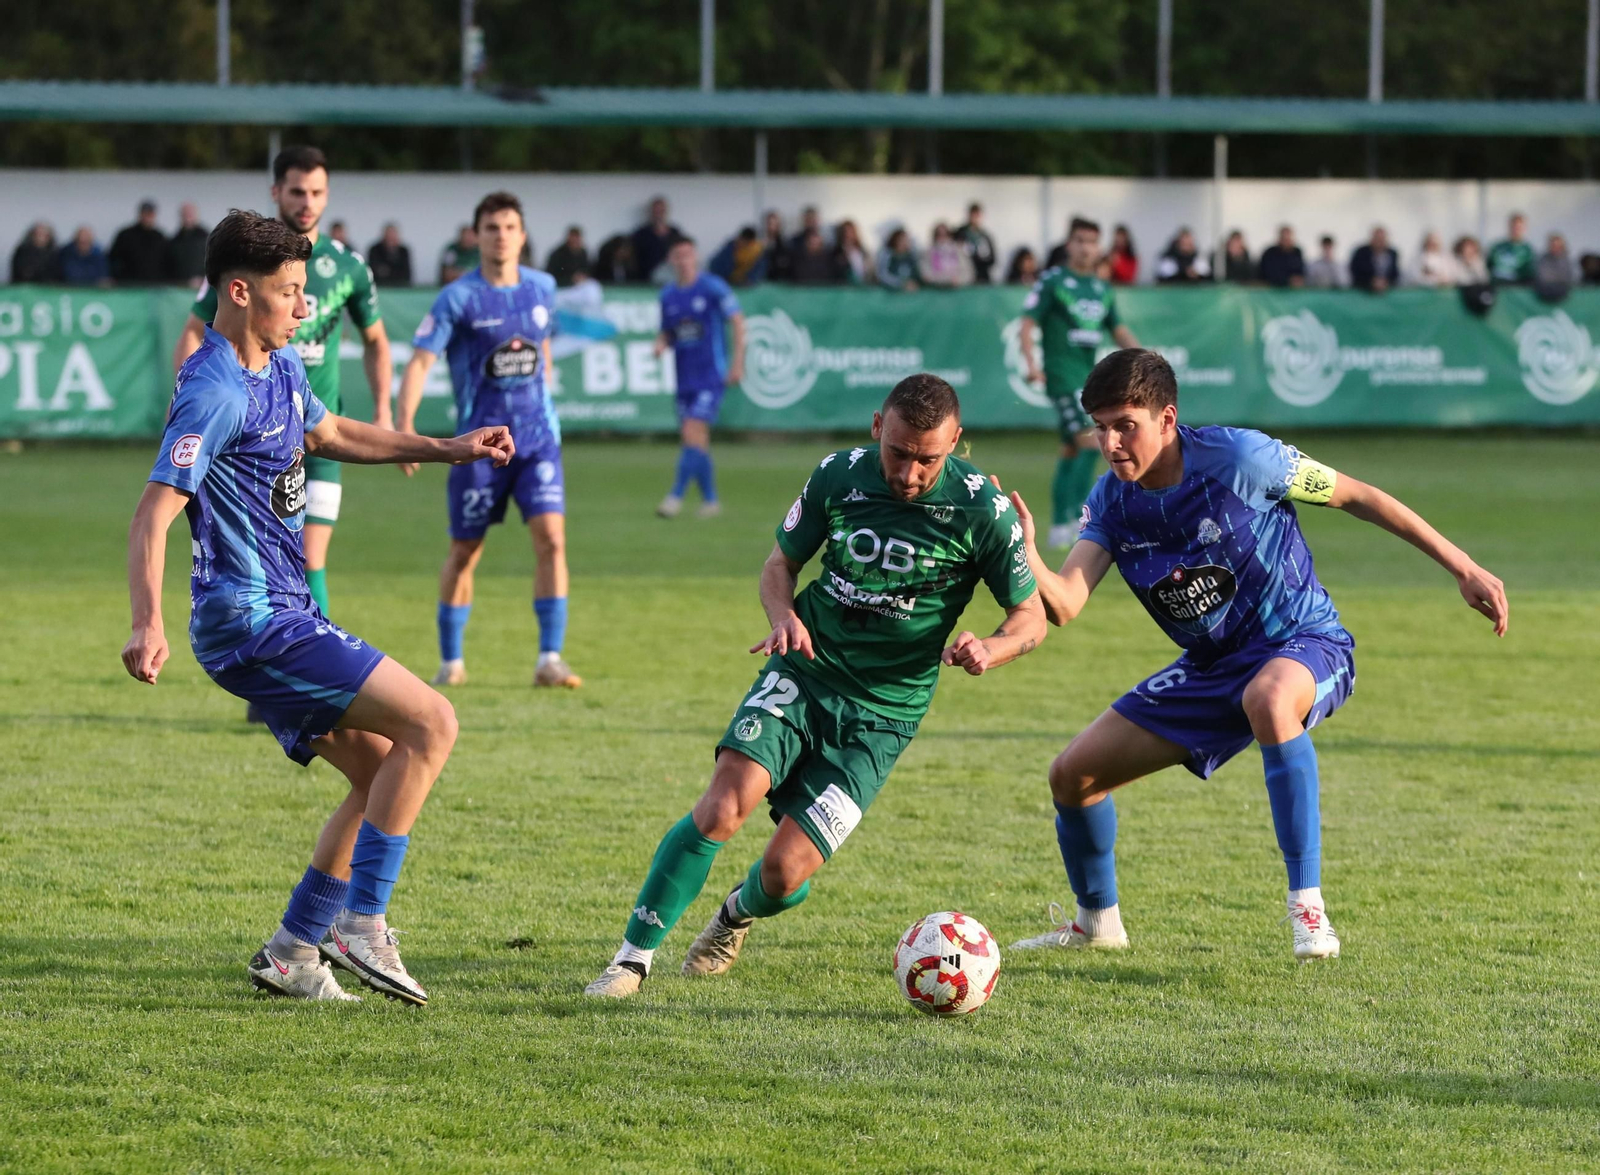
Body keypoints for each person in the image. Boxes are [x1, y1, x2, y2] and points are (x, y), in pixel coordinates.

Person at [122, 209, 515, 1004]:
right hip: (253, 620)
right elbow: (153, 510)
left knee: (379, 774)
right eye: (289, 291)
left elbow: (333, 434)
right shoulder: (217, 388)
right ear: (238, 291)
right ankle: (363, 921)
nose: (304, 307)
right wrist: (146, 620)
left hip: (278, 612)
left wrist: (446, 446)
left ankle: (293, 949)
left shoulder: (280, 366)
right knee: (434, 721)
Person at [1001, 348, 1507, 962]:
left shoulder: (1243, 458)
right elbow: (1067, 602)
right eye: (1100, 427)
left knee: (1268, 697)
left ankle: (1308, 912)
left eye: (1124, 425)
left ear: (1167, 417)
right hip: (1211, 669)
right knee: (1072, 775)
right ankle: (1095, 923)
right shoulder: (1113, 500)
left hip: (1305, 642)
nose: (1109, 442)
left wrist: (1464, 567)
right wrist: (1024, 549)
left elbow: (1357, 496)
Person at [583, 374, 1047, 998]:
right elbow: (781, 565)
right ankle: (631, 960)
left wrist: (990, 647)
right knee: (723, 806)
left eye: (928, 459)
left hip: (883, 716)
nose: (910, 473)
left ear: (956, 442)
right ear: (878, 428)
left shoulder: (980, 512)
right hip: (804, 670)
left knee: (782, 871)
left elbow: (1032, 618)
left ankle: (733, 916)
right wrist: (783, 617)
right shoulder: (838, 474)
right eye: (899, 453)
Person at [174, 145, 392, 635]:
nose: (307, 202)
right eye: (297, 191)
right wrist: (190, 402)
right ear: (276, 192)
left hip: (320, 435)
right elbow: (192, 331)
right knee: (266, 559)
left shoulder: (350, 268)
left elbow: (376, 341)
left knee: (309, 555)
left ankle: (312, 666)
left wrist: (384, 410)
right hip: (255, 434)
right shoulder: (247, 260)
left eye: (317, 192)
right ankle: (287, 669)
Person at [396, 191, 581, 691]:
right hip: (478, 447)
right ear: (476, 235)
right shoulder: (458, 297)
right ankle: (451, 661)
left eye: (509, 227)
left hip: (538, 441)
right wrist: (405, 425)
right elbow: (419, 361)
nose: (500, 235)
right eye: (491, 227)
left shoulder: (542, 288)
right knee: (465, 551)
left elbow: (540, 350)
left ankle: (550, 658)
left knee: (553, 540)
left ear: (522, 235)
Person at [1018, 216, 1140, 549]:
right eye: (1080, 240)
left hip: (1087, 379)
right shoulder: (1054, 281)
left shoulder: (1101, 288)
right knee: (1091, 443)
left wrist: (1144, 357)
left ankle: (1060, 525)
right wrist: (1031, 362)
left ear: (1099, 247)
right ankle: (1077, 518)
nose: (1086, 247)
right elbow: (1028, 322)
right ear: (1069, 244)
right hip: (1061, 375)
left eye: (1092, 241)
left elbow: (1118, 329)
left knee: (1072, 449)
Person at [652, 236, 746, 519]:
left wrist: (737, 362)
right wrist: (661, 343)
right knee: (696, 441)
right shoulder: (667, 295)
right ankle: (711, 501)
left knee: (692, 431)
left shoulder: (712, 287)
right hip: (684, 378)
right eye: (677, 256)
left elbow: (738, 321)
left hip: (710, 374)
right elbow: (669, 331)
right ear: (671, 260)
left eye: (687, 255)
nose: (683, 261)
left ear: (695, 258)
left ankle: (675, 496)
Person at [110, 199, 169, 285]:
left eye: (150, 214)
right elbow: (114, 259)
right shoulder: (125, 235)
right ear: (140, 214)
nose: (147, 217)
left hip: (154, 287)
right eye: (145, 213)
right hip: (130, 287)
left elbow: (167, 263)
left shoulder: (160, 237)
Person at [630, 196, 682, 283]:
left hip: (671, 279)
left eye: (661, 211)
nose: (658, 214)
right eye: (656, 211)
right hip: (644, 280)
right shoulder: (640, 234)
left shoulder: (675, 233)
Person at [165, 203, 210, 286]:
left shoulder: (207, 239)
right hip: (179, 287)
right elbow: (169, 266)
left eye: (190, 214)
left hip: (202, 287)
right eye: (185, 214)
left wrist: (203, 279)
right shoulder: (174, 241)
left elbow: (213, 263)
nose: (187, 218)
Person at [920, 222, 973, 288]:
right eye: (939, 234)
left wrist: (960, 280)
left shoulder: (958, 251)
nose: (942, 238)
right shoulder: (927, 253)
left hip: (956, 290)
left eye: (945, 234)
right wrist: (946, 281)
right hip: (935, 291)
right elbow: (926, 276)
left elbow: (969, 272)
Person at [955, 202, 997, 284]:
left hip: (982, 276)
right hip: (964, 275)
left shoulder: (985, 236)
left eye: (977, 215)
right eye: (973, 215)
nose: (975, 218)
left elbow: (992, 259)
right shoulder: (960, 234)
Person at [1487, 213, 1535, 285]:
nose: (1516, 230)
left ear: (1524, 229)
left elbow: (1529, 273)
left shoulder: (1528, 250)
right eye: (1514, 227)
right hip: (1497, 286)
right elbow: (1489, 266)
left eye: (1519, 228)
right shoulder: (1497, 247)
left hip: (1516, 287)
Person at [1349, 227, 1399, 293]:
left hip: (1386, 290)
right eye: (1377, 239)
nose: (1380, 242)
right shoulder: (1361, 252)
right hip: (1363, 290)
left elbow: (1395, 272)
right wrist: (1372, 281)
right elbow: (1355, 270)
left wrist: (1385, 282)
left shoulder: (1392, 253)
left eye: (1382, 239)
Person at [367, 222, 413, 287]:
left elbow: (406, 273)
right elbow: (374, 271)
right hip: (379, 287)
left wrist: (388, 271)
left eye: (393, 235)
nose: (390, 238)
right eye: (388, 235)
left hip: (400, 288)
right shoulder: (375, 250)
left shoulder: (403, 251)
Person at [831, 220, 869, 284]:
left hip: (862, 286)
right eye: (846, 232)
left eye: (851, 231)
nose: (848, 234)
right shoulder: (837, 251)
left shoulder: (862, 250)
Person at [761, 211, 794, 283]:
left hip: (779, 280)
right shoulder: (759, 241)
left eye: (775, 224)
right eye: (770, 224)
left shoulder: (785, 243)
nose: (772, 227)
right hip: (761, 280)